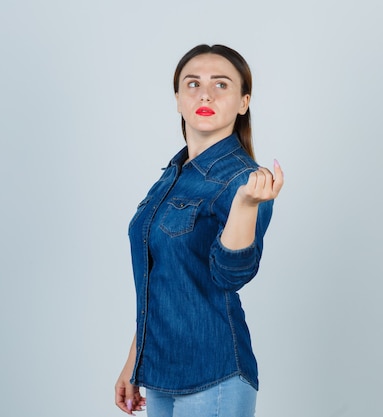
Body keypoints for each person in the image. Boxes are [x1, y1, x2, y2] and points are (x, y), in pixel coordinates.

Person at [114, 44, 284, 417]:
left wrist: (244, 206)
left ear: (243, 101)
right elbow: (159, 279)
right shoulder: (172, 177)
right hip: (160, 373)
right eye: (192, 84)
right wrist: (134, 361)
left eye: (221, 84)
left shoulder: (245, 180)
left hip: (214, 372)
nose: (205, 93)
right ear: (177, 99)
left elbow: (231, 275)